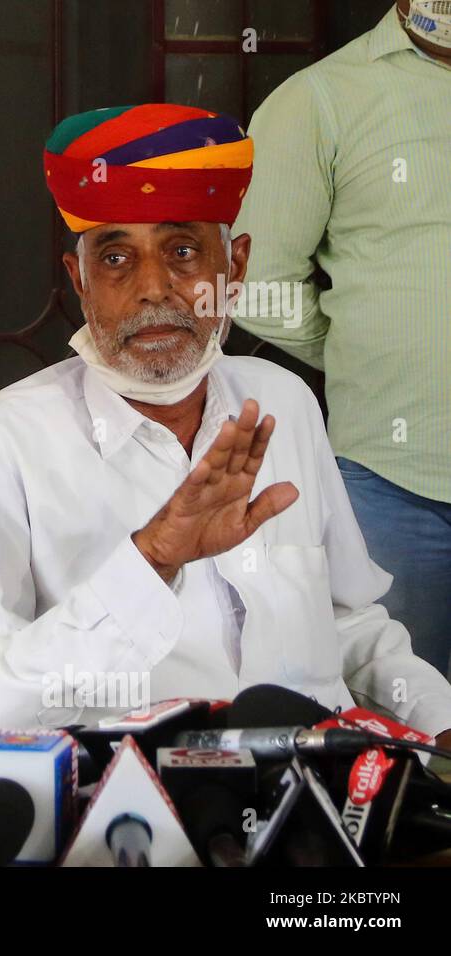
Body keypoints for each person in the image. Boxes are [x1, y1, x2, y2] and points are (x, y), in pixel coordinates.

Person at [0, 104, 451, 746]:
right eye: (116, 258)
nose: (154, 288)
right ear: (79, 280)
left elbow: (347, 625)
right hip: (122, 811)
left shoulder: (282, 403)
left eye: (182, 250)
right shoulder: (0, 446)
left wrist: (437, 721)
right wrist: (151, 561)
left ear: (236, 268)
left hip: (319, 800)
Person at [233, 1, 451, 672]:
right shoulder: (321, 100)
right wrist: (371, 347)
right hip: (393, 485)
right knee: (401, 735)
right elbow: (254, 282)